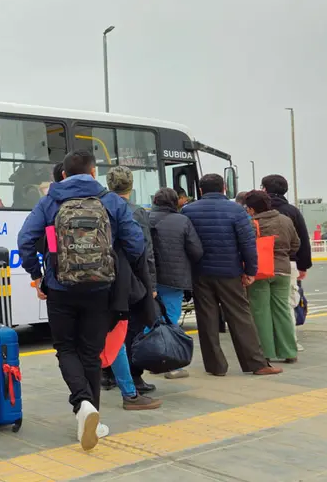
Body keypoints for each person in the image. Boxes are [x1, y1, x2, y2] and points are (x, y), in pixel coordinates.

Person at [18, 150, 147, 451]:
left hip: (60, 288)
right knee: (91, 352)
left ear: (63, 175)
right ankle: (93, 416)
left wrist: (38, 276)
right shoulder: (111, 200)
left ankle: (82, 404)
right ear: (93, 173)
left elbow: (25, 240)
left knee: (65, 348)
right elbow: (136, 242)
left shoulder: (50, 200)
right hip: (101, 288)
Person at [181, 174, 281, 377]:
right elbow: (247, 243)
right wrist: (250, 271)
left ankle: (215, 366)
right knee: (240, 316)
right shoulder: (236, 210)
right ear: (224, 188)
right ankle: (256, 364)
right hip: (230, 272)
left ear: (201, 190)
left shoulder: (187, 211)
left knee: (206, 318)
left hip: (200, 272)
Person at [103, 167, 161, 411]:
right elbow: (145, 251)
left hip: (103, 276)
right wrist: (152, 284)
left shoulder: (101, 207)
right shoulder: (136, 212)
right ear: (131, 185)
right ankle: (133, 381)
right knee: (131, 330)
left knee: (108, 328)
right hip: (130, 280)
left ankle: (106, 375)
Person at [149, 187, 204, 379]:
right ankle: (171, 365)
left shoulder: (144, 219)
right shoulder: (182, 221)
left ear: (155, 201)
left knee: (151, 319)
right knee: (171, 320)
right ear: (174, 202)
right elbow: (196, 251)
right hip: (174, 279)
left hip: (149, 279)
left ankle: (150, 359)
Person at [243, 190, 299, 364]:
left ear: (252, 209)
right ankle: (289, 351)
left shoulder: (251, 223)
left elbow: (246, 248)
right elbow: (295, 244)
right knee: (282, 309)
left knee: (260, 312)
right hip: (283, 270)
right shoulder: (285, 220)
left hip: (260, 271)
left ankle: (265, 352)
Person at [260, 174, 312, 352]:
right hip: (287, 263)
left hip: (259, 265)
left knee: (261, 306)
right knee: (286, 304)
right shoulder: (292, 211)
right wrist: (303, 264)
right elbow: (302, 240)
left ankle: (266, 345)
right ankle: (291, 343)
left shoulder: (256, 211)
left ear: (265, 190)